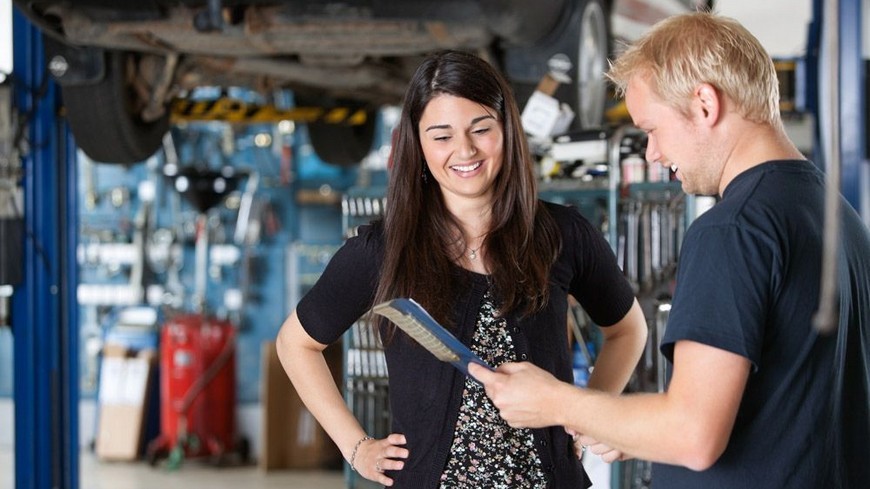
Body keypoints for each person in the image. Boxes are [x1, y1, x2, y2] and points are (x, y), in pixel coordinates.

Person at [470, 11, 870, 489]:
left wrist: (554, 401)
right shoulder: (834, 213)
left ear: (704, 104)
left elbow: (693, 435)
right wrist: (628, 426)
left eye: (652, 129)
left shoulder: (732, 230)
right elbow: (782, 404)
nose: (652, 153)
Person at [275, 49, 649, 488]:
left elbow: (628, 330)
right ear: (417, 142)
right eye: (441, 135)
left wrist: (590, 414)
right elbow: (295, 345)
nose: (464, 150)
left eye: (481, 129)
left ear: (507, 129)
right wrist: (355, 447)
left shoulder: (562, 233)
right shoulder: (381, 249)